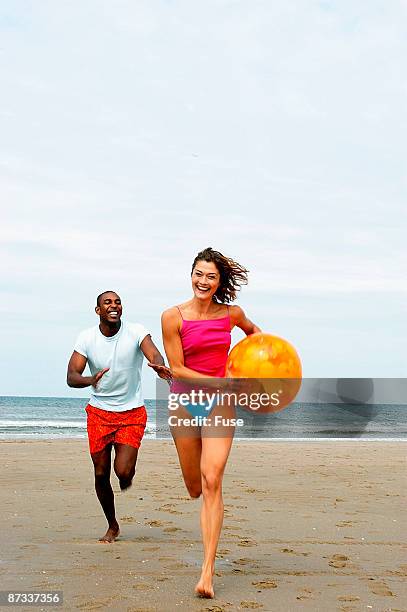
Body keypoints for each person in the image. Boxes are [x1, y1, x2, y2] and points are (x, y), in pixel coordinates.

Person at [161, 247, 261, 598]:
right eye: (198, 274)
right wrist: (222, 381)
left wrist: (258, 367)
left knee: (213, 479)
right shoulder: (173, 316)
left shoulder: (232, 314)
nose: (203, 282)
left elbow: (256, 336)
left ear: (219, 282)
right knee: (194, 486)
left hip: (221, 403)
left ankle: (207, 574)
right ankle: (198, 494)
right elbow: (177, 369)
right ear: (191, 275)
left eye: (211, 276)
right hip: (185, 403)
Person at [67, 291, 171, 543]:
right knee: (101, 473)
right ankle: (112, 525)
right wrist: (90, 379)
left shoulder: (136, 331)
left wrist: (158, 365)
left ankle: (127, 476)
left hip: (131, 412)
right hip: (99, 413)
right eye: (107, 303)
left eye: (117, 302)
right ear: (98, 310)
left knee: (123, 472)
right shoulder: (87, 338)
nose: (114, 306)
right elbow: (71, 375)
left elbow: (153, 354)